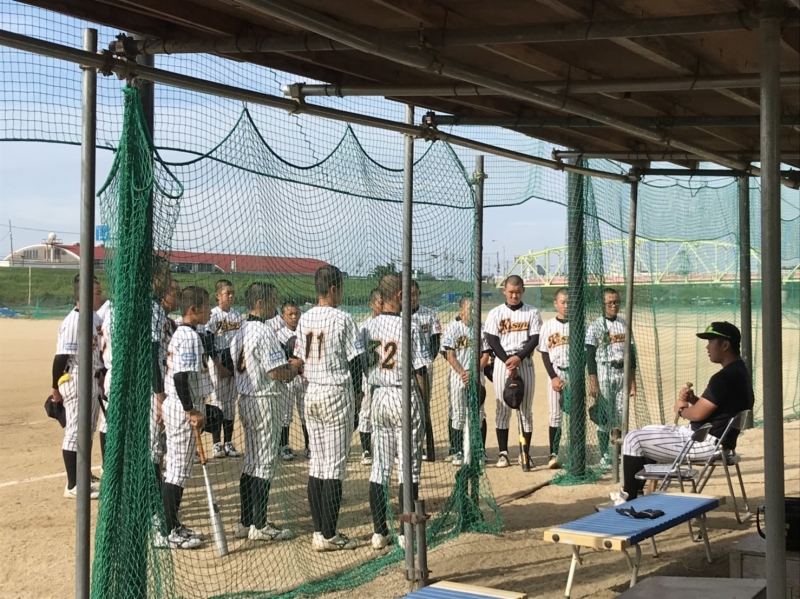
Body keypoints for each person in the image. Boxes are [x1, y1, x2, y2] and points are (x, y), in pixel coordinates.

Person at [620, 321, 754, 500]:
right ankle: (636, 494)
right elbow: (717, 411)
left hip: (705, 443)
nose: (707, 347)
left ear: (725, 345)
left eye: (711, 341)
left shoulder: (724, 377)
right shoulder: (740, 372)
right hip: (718, 442)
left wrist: (681, 410)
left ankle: (628, 499)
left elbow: (697, 414)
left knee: (633, 439)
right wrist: (693, 400)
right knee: (646, 430)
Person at [294, 265, 365, 551]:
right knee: (334, 467)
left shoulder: (304, 317)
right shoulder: (343, 318)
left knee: (318, 465)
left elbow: (298, 357)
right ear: (334, 289)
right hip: (335, 392)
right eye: (341, 288)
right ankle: (329, 534)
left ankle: (319, 531)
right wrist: (358, 395)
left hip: (311, 392)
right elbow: (356, 361)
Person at [364, 273, 431, 550]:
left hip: (379, 395)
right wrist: (424, 406)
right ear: (400, 295)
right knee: (409, 467)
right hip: (404, 395)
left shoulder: (367, 326)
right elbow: (420, 371)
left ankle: (379, 532)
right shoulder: (410, 326)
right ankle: (405, 533)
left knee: (380, 468)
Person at [230, 283, 299, 541]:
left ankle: (245, 521)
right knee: (265, 463)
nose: (276, 306)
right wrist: (294, 369)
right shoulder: (264, 331)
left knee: (251, 462)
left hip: (246, 398)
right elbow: (275, 372)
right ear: (260, 303)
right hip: (264, 400)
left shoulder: (240, 329)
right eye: (273, 301)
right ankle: (260, 525)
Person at [159, 286, 212, 549]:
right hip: (182, 409)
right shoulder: (188, 336)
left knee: (178, 469)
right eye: (206, 306)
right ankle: (166, 531)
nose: (210, 312)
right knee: (177, 471)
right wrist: (191, 410)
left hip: (179, 406)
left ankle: (172, 524)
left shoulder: (184, 332)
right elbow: (181, 377)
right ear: (193, 309)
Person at [51, 274, 103, 499]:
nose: (101, 296)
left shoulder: (94, 317)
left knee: (87, 430)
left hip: (92, 378)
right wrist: (54, 388)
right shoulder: (74, 322)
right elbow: (61, 358)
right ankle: (73, 485)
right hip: (76, 378)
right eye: (97, 293)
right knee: (74, 432)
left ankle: (83, 475)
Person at [483, 275, 542, 470]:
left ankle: (525, 453)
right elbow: (492, 340)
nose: (514, 296)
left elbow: (535, 339)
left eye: (517, 292)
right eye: (511, 292)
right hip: (502, 363)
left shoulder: (532, 312)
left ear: (523, 291)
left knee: (525, 410)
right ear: (504, 291)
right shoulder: (496, 313)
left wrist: (519, 358)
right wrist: (508, 361)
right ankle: (503, 453)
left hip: (525, 363)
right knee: (502, 409)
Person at [586, 288, 636, 469]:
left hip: (622, 371)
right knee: (605, 414)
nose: (614, 305)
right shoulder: (595, 326)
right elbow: (589, 355)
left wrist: (632, 381)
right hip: (603, 370)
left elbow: (632, 353)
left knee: (620, 414)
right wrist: (593, 380)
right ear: (602, 305)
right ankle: (604, 455)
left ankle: (618, 452)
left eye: (616, 302)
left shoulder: (624, 324)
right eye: (610, 303)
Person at [441, 296, 490, 466]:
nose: (474, 312)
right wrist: (463, 373)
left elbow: (486, 355)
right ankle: (457, 450)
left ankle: (480, 450)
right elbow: (449, 355)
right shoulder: (453, 328)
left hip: (477, 375)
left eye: (476, 309)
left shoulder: (482, 328)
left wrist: (473, 372)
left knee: (479, 414)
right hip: (457, 376)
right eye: (470, 309)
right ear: (461, 310)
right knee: (458, 414)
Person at [205, 279, 243, 459]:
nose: (231, 296)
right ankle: (216, 443)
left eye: (232, 293)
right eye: (228, 293)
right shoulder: (212, 315)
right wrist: (218, 365)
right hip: (217, 362)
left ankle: (228, 442)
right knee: (218, 402)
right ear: (218, 295)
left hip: (233, 362)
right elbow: (208, 342)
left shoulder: (237, 316)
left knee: (230, 403)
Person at [410, 281, 441, 461]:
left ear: (419, 294)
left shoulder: (429, 315)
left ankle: (421, 445)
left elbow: (436, 341)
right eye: (409, 294)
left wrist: (427, 360)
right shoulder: (398, 314)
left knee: (423, 406)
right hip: (403, 369)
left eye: (415, 294)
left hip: (424, 368)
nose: (412, 297)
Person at [538, 287, 569, 469]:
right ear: (555, 303)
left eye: (569, 302)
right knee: (555, 415)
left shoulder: (579, 324)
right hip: (556, 372)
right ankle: (554, 453)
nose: (566, 305)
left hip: (574, 373)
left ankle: (576, 452)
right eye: (563, 302)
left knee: (575, 414)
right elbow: (544, 353)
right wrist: (553, 377)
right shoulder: (548, 326)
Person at [275, 300, 307, 461]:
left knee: (305, 412)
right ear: (283, 316)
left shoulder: (305, 331)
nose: (294, 317)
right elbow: (279, 358)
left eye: (297, 313)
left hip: (303, 377)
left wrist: (301, 361)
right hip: (287, 377)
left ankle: (309, 446)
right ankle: (284, 445)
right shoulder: (279, 335)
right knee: (285, 413)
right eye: (290, 314)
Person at [357, 289, 383, 466]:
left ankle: (385, 447)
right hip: (369, 375)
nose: (383, 305)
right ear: (371, 305)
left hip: (387, 377)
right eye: (380, 302)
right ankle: (366, 449)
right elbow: (360, 355)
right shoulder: (364, 327)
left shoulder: (392, 322)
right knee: (366, 412)